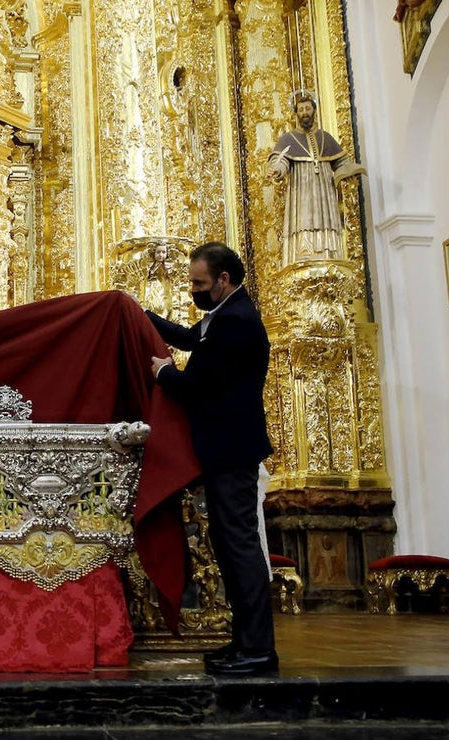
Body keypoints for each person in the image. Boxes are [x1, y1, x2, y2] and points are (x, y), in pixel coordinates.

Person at [144, 242, 277, 676]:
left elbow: (201, 386)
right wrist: (142, 315)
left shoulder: (237, 321)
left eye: (199, 283)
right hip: (224, 450)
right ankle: (244, 642)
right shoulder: (224, 313)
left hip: (232, 451)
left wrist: (164, 373)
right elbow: (189, 338)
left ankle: (258, 650)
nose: (194, 290)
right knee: (230, 545)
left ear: (223, 278)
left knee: (240, 547)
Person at [267, 90, 365, 265]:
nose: (305, 112)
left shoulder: (325, 138)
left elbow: (341, 162)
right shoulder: (288, 139)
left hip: (324, 189)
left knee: (325, 217)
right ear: (296, 114)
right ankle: (304, 252)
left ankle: (328, 251)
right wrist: (277, 170)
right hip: (301, 189)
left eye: (308, 108)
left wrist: (350, 171)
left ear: (314, 110)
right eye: (301, 109)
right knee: (304, 218)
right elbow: (281, 161)